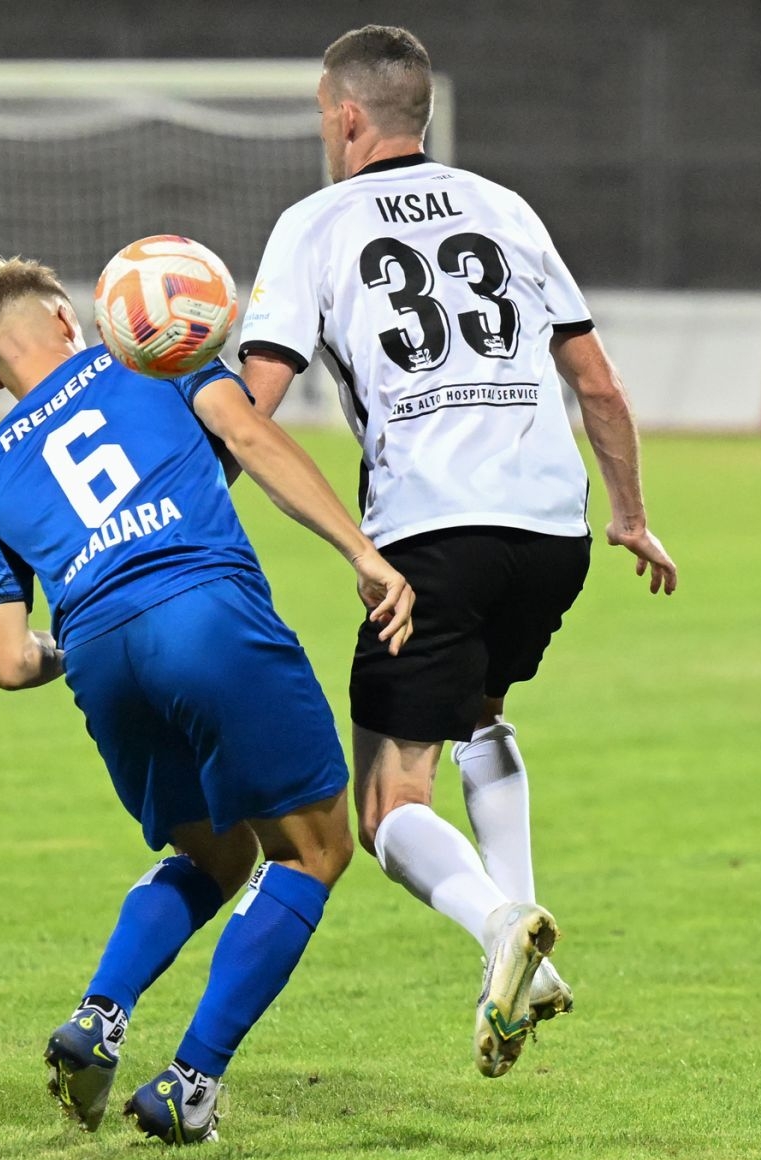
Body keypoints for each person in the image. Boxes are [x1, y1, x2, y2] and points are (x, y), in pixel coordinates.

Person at [236, 25, 677, 1078]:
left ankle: (502, 924)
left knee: (389, 805)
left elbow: (254, 404)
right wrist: (629, 515)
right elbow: (597, 382)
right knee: (480, 711)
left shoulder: (312, 225)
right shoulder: (505, 206)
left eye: (322, 114)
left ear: (347, 117)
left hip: (432, 530)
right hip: (552, 530)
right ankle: (529, 962)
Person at [0, 256, 413, 1143]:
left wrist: (94, 636)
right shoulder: (157, 360)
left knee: (215, 855)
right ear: (70, 320)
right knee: (314, 850)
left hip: (99, 656)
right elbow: (252, 440)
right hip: (207, 617)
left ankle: (99, 1016)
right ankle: (191, 1081)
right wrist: (363, 554)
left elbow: (7, 661)